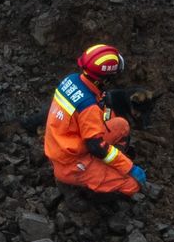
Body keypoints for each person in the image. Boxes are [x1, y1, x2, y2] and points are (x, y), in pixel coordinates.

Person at [44, 42, 145, 197]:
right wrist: (129, 168)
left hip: (61, 144)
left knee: (121, 125)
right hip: (71, 163)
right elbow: (97, 147)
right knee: (132, 185)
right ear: (104, 79)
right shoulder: (88, 107)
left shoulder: (72, 79)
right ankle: (77, 189)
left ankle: (100, 170)